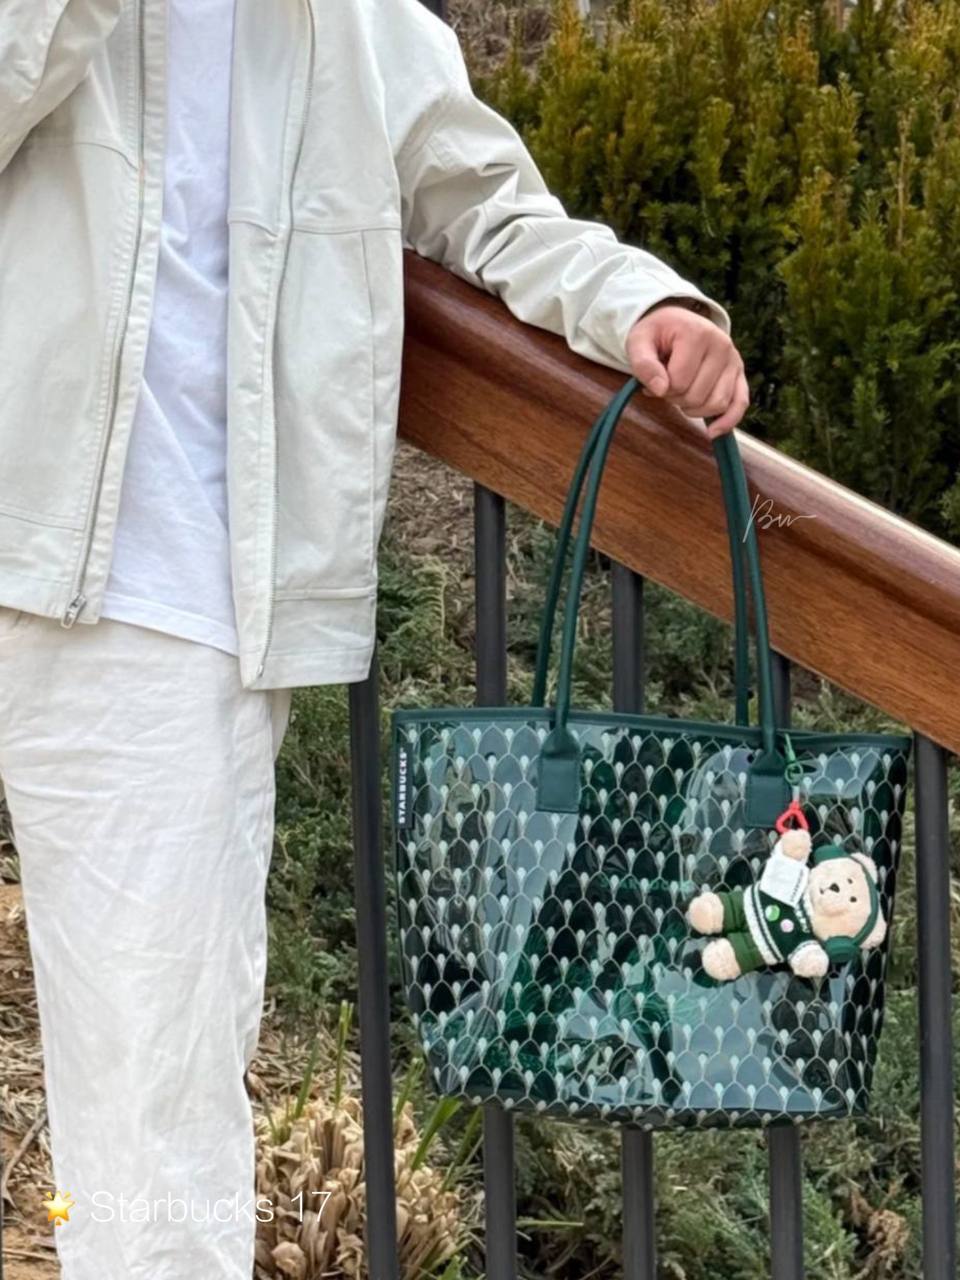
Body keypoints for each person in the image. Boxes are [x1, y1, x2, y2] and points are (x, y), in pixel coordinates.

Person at [0, 1, 748, 1276]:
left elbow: (488, 200)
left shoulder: (353, 21)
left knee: (150, 1116)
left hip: (158, 601)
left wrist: (636, 301)